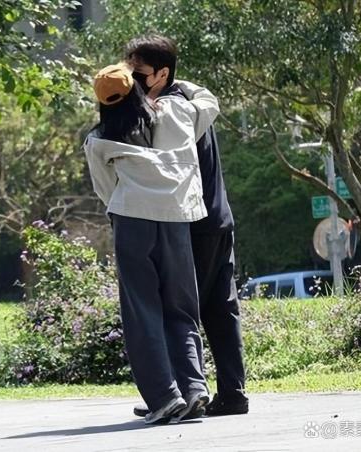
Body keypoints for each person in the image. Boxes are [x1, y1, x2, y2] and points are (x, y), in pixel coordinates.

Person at [84, 63, 220, 424]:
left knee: (143, 312)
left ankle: (163, 396)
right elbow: (208, 101)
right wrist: (170, 79)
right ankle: (194, 388)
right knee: (182, 308)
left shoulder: (99, 138)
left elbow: (104, 189)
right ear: (135, 89)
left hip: (132, 219)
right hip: (176, 218)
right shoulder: (173, 113)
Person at [125, 35, 249, 417]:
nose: (132, 81)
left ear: (162, 74)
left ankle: (182, 396)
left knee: (178, 310)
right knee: (220, 307)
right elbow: (207, 97)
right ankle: (232, 392)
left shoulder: (167, 111)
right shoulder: (192, 102)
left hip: (188, 222)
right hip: (218, 217)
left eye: (138, 74)